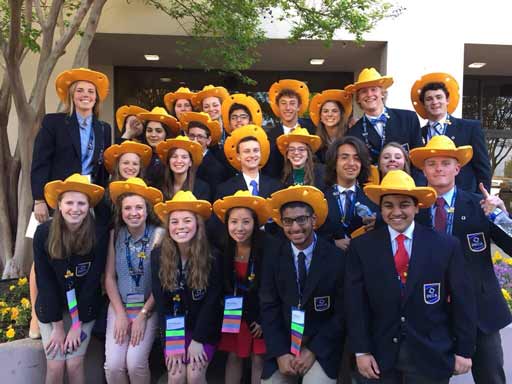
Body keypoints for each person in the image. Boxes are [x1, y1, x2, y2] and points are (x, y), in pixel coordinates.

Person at [346, 170, 476, 383]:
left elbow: (463, 300)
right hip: (379, 357)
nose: (396, 212)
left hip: (431, 354)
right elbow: (355, 303)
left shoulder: (446, 246)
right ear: (380, 208)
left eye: (404, 204)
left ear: (417, 207)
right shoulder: (362, 247)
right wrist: (361, 351)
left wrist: (464, 350)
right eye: (388, 205)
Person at [409, 136, 512, 384]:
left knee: (491, 378)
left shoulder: (481, 205)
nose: (439, 169)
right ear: (424, 170)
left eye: (446, 163)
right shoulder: (413, 210)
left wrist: (500, 216)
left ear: (457, 168)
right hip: (432, 312)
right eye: (432, 163)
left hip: (481, 312)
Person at [30, 67, 111, 338]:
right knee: (42, 250)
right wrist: (39, 199)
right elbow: (40, 161)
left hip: (86, 197)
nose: (86, 95)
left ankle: (85, 305)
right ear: (71, 95)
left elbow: (102, 169)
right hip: (57, 196)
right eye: (80, 91)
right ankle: (35, 314)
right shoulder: (54, 122)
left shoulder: (103, 128)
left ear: (97, 97)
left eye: (91, 91)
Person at [260, 185, 346, 383]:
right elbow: (268, 307)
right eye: (288, 221)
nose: (295, 227)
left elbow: (342, 313)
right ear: (281, 224)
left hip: (322, 346)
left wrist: (313, 350)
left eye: (301, 219)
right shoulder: (273, 257)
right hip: (284, 344)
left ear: (314, 220)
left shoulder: (336, 258)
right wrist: (280, 353)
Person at [33, 174, 108, 384]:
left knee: (74, 363)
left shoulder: (98, 235)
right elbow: (44, 282)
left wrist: (76, 325)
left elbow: (93, 282)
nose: (75, 208)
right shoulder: (43, 234)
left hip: (84, 307)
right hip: (52, 304)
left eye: (81, 203)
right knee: (56, 365)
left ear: (89, 205)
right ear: (59, 204)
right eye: (69, 202)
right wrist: (57, 327)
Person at [152, 191, 223, 384]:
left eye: (187, 221)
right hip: (175, 327)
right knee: (175, 377)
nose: (180, 227)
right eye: (174, 222)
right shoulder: (157, 256)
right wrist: (172, 343)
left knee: (194, 374)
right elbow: (161, 302)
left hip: (204, 328)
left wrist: (198, 340)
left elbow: (212, 303)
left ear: (197, 224)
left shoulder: (213, 256)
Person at [104, 177, 164, 384]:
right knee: (113, 366)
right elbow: (110, 278)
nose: (133, 213)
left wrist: (143, 315)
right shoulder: (115, 235)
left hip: (148, 308)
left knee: (135, 362)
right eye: (127, 208)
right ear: (121, 212)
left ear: (147, 211)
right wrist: (120, 313)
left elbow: (163, 282)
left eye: (139, 207)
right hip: (119, 306)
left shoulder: (159, 235)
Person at [213, 190, 273, 384]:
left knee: (258, 358)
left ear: (255, 224)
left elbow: (272, 289)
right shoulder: (222, 248)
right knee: (233, 355)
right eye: (234, 222)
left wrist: (263, 319)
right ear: (227, 223)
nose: (240, 228)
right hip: (234, 313)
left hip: (260, 314)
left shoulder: (268, 248)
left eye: (246, 222)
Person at [411, 72, 492, 192]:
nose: (434, 102)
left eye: (439, 97)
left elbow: (483, 168)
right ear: (424, 104)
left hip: (465, 199)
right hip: (429, 201)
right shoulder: (418, 133)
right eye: (429, 99)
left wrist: (481, 199)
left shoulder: (469, 128)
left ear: (447, 100)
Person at [345, 68, 423, 166]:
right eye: (364, 91)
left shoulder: (408, 119)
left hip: (408, 180)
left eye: (373, 89)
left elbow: (418, 161)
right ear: (358, 99)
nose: (369, 94)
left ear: (382, 93)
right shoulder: (353, 134)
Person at [319, 136, 378, 250]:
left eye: (357, 158)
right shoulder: (320, 198)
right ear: (334, 162)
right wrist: (332, 243)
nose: (351, 163)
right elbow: (312, 235)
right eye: (344, 157)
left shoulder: (372, 198)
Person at [264, 79, 316, 178]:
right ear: (278, 107)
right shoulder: (270, 136)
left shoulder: (312, 130)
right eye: (283, 103)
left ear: (298, 106)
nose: (287, 108)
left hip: (310, 182)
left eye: (292, 103)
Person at [216, 124, 282, 199]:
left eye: (256, 150)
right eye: (247, 151)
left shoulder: (276, 187)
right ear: (238, 156)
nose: (252, 155)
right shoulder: (225, 189)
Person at [179, 111, 228, 197]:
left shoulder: (216, 168)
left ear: (208, 140)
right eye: (192, 136)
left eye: (200, 136)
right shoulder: (181, 161)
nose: (195, 140)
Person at [156, 135, 211, 201]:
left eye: (184, 157)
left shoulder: (202, 188)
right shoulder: (159, 187)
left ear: (190, 162)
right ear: (168, 161)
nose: (179, 161)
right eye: (174, 156)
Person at [137, 107, 181, 188]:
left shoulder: (174, 157)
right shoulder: (140, 155)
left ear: (166, 133)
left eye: (158, 131)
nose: (153, 135)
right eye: (149, 130)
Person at [309, 89, 353, 163]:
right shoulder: (315, 142)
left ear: (341, 115)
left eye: (334, 111)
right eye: (325, 111)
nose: (329, 114)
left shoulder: (351, 136)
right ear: (320, 117)